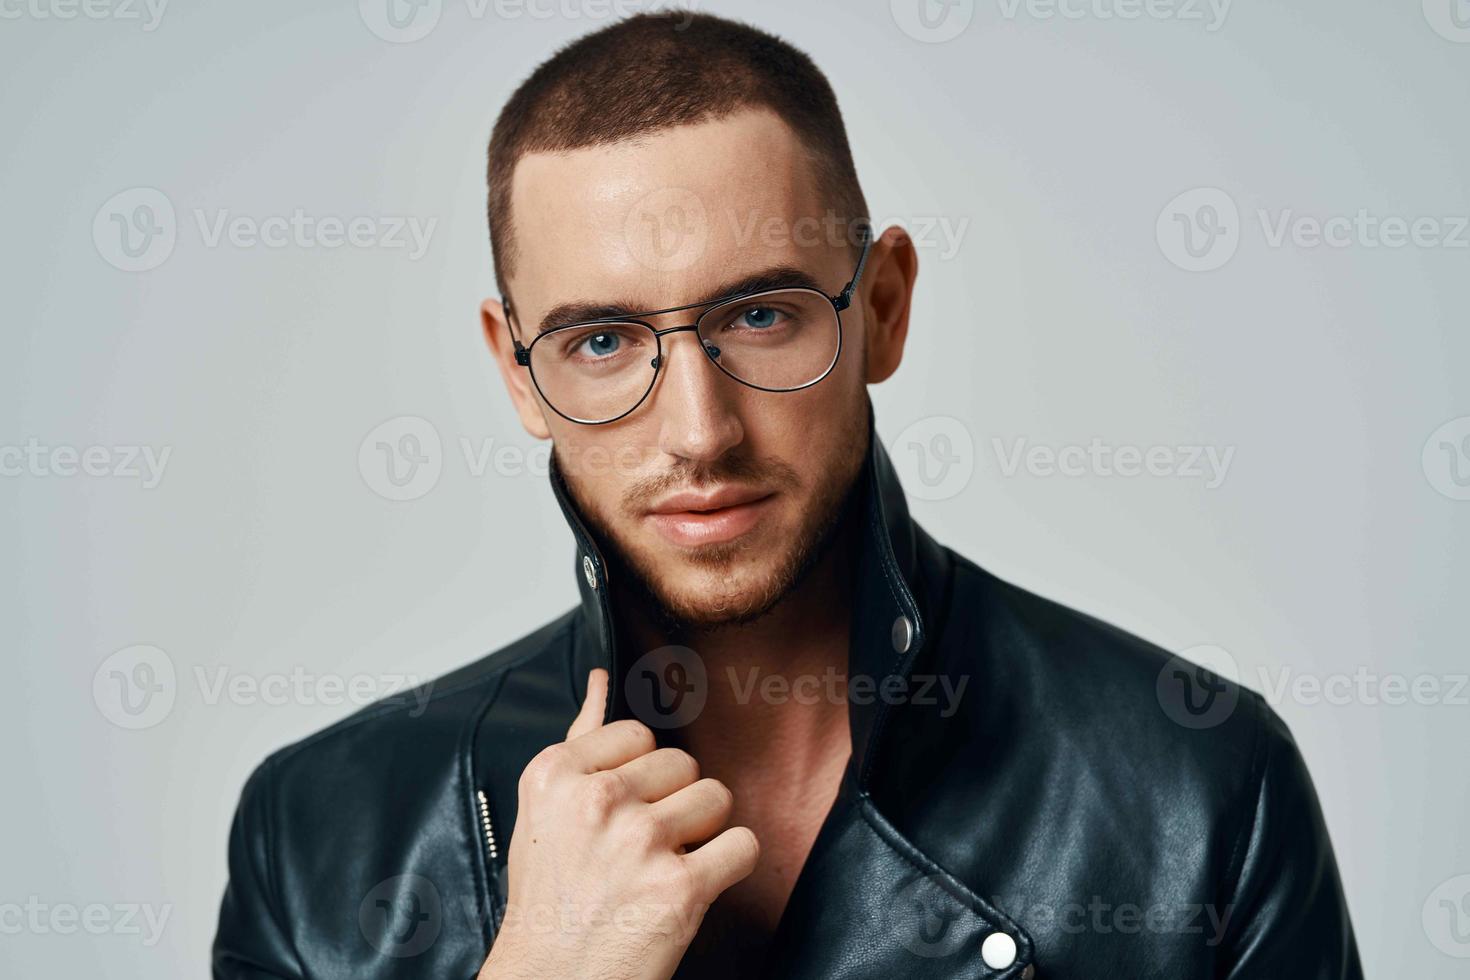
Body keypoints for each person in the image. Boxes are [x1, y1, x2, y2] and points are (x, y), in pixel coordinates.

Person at [214, 12, 1362, 979]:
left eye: (760, 316)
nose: (699, 431)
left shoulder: (1200, 789)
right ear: (519, 372)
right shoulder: (316, 835)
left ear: (884, 309)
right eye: (603, 340)